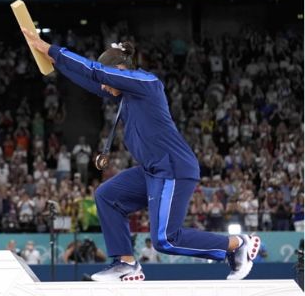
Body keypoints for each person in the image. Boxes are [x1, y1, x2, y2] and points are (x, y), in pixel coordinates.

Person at [21, 30, 261, 282]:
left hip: (173, 168)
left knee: (165, 239)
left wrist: (51, 49)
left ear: (120, 69)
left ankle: (237, 244)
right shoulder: (126, 94)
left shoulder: (146, 82)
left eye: (107, 79)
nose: (103, 87)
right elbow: (92, 80)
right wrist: (55, 64)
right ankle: (126, 263)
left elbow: (95, 72)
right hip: (152, 170)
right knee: (107, 196)